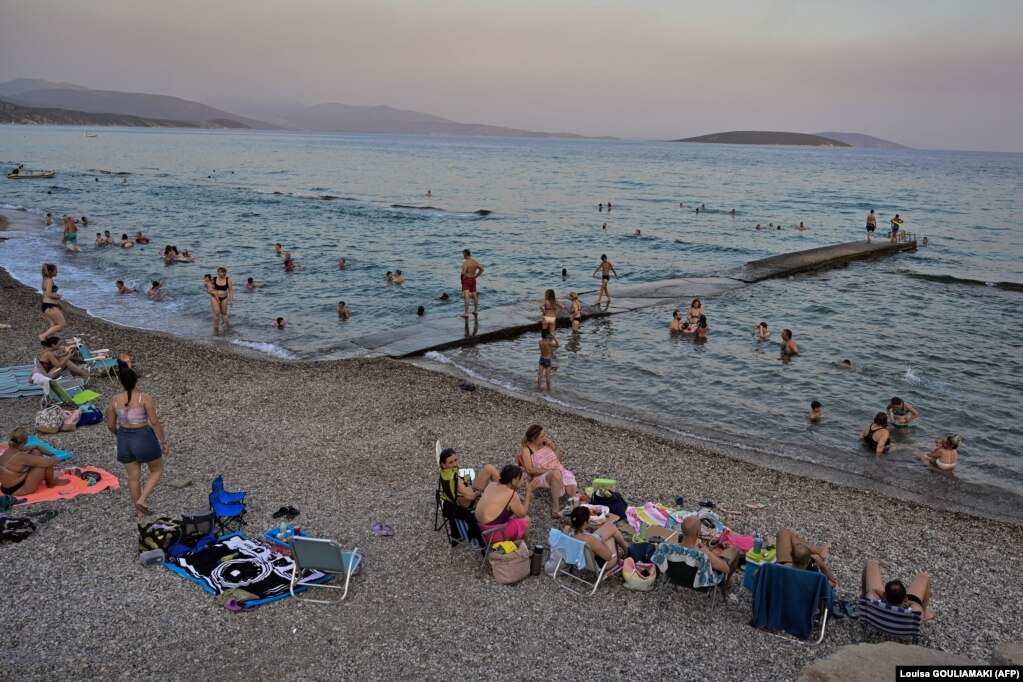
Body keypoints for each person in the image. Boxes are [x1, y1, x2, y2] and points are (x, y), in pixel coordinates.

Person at [106, 365, 168, 517]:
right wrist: (164, 441)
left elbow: (110, 425)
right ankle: (142, 500)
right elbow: (154, 422)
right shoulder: (144, 398)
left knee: (133, 476)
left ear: (121, 382)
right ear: (136, 381)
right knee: (156, 469)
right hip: (142, 435)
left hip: (124, 438)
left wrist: (119, 435)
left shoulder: (114, 401)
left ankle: (139, 512)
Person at [651, 515, 741, 589]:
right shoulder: (702, 555)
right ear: (698, 532)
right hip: (704, 582)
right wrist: (709, 554)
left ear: (681, 530)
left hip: (675, 576)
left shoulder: (666, 547)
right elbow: (726, 569)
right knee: (734, 551)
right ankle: (726, 583)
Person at [519, 424, 577, 517]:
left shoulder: (545, 444)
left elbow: (559, 460)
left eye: (544, 435)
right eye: (541, 436)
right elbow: (529, 469)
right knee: (556, 474)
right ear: (534, 439)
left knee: (571, 491)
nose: (544, 438)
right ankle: (555, 509)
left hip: (559, 469)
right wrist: (549, 470)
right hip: (541, 475)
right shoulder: (527, 449)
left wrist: (553, 447)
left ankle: (577, 506)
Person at [474, 464, 541, 543]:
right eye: (520, 479)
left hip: (478, 528)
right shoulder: (512, 494)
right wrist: (528, 492)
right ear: (513, 481)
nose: (522, 481)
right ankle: (521, 547)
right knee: (526, 520)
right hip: (490, 534)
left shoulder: (492, 485)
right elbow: (522, 514)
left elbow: (505, 494)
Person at [0, 428, 70, 496]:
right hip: (16, 489)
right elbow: (50, 462)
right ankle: (51, 482)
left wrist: (51, 454)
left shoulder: (10, 450)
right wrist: (54, 458)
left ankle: (49, 479)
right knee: (45, 464)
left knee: (35, 451)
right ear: (25, 440)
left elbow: (36, 447)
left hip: (6, 487)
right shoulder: (21, 457)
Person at [861, 560, 934, 622]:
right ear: (905, 599)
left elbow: (872, 592)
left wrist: (878, 592)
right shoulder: (916, 615)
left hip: (878, 620)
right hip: (902, 627)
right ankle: (925, 613)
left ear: (884, 596)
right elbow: (917, 607)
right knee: (923, 576)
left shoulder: (872, 603)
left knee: (871, 563)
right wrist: (912, 603)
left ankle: (862, 594)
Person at [564, 506, 629, 570]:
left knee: (610, 526)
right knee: (611, 539)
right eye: (589, 518)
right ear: (585, 523)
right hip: (598, 564)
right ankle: (624, 551)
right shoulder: (590, 539)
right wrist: (603, 542)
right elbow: (608, 557)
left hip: (580, 556)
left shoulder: (567, 530)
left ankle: (625, 547)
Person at [39, 263, 66, 341]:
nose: (57, 272)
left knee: (53, 324)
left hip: (47, 305)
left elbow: (48, 293)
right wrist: (58, 297)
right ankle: (43, 336)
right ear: (51, 271)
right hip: (49, 306)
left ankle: (47, 338)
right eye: (56, 270)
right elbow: (49, 294)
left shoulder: (45, 279)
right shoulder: (49, 280)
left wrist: (58, 303)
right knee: (62, 324)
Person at [460, 249, 484, 318]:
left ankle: (466, 313)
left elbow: (463, 273)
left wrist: (461, 278)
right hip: (473, 279)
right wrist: (476, 276)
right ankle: (476, 311)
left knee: (467, 296)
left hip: (466, 280)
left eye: (463, 255)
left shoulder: (466, 263)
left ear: (465, 254)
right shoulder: (475, 262)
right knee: (475, 295)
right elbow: (482, 269)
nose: (463, 256)